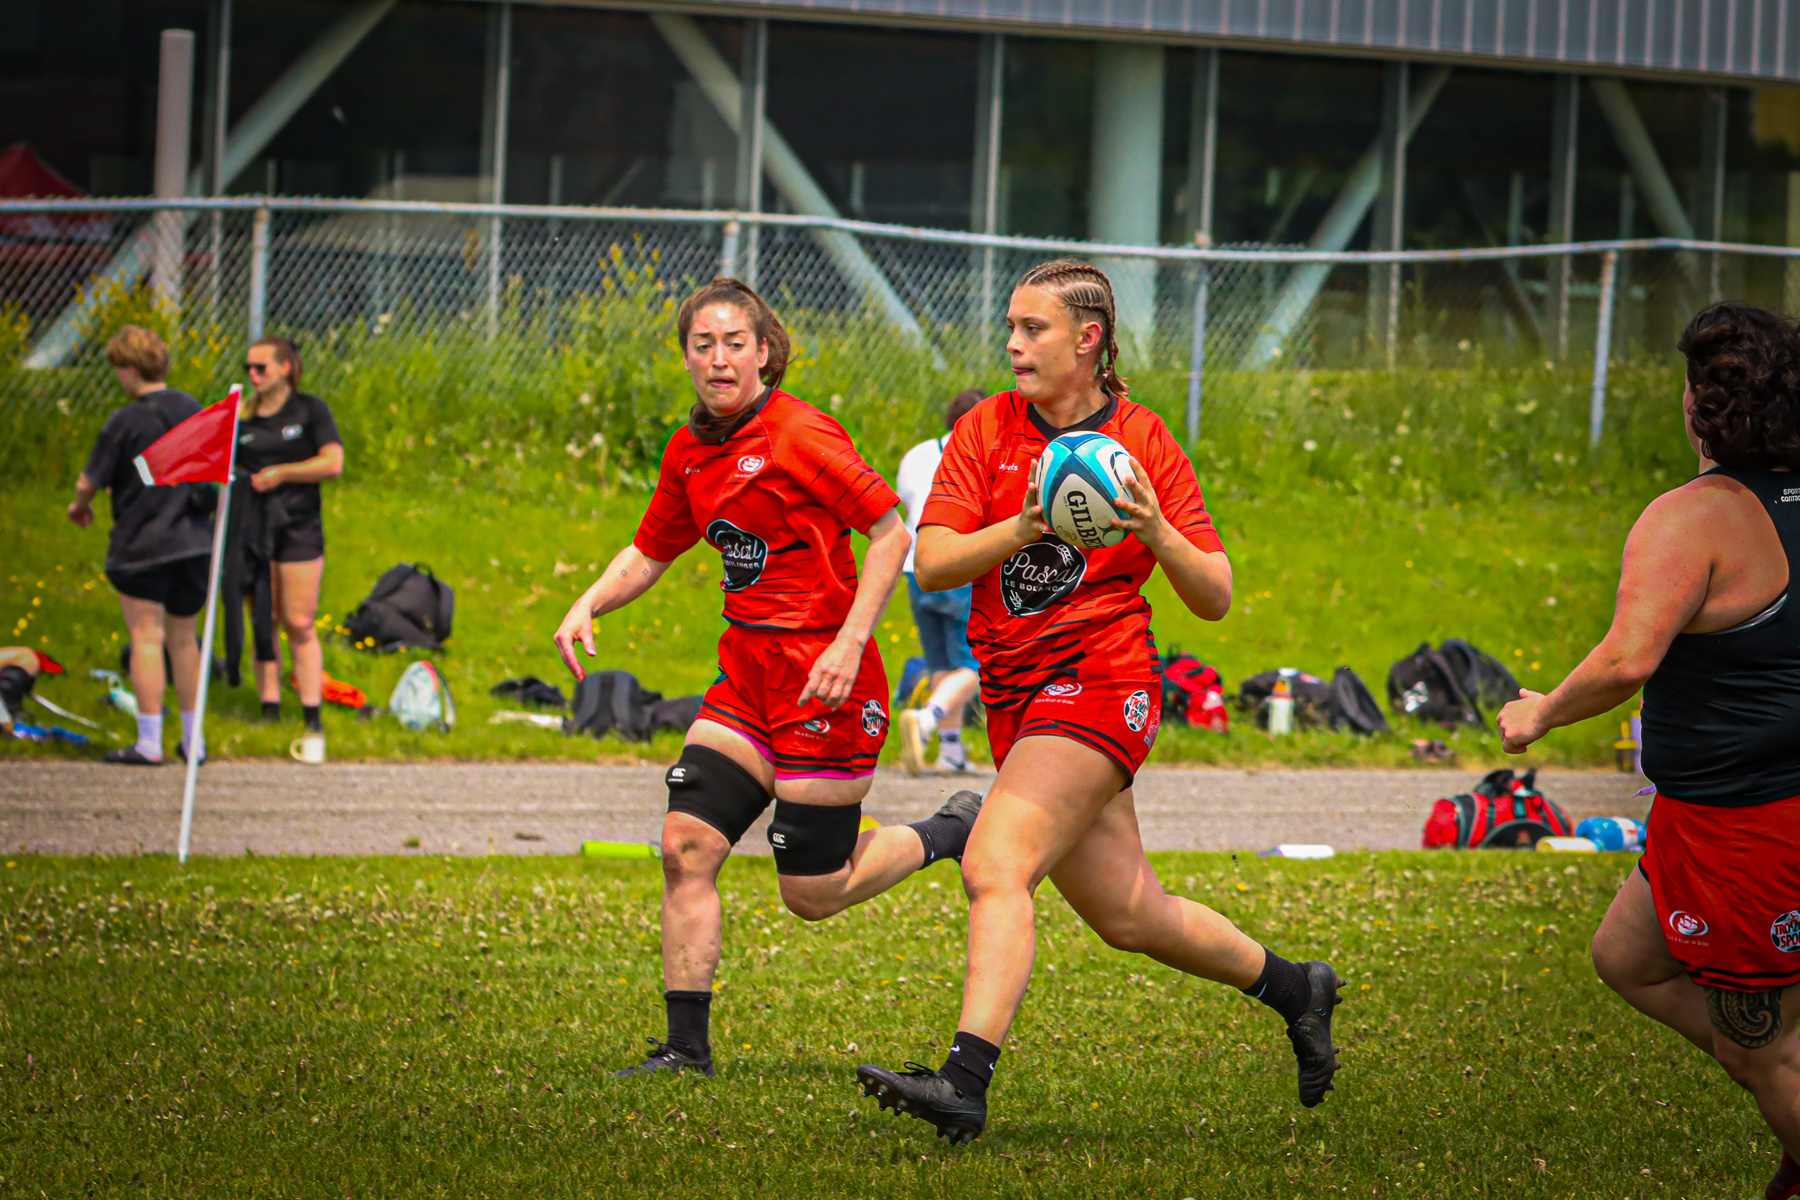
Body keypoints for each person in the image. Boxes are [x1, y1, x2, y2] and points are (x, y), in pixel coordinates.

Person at [855, 259, 1343, 1145]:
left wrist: (1155, 527)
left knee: (994, 864)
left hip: (1104, 681)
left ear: (1088, 339)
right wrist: (1027, 522)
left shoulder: (1144, 441)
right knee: (1130, 914)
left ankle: (965, 1082)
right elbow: (933, 561)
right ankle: (1296, 987)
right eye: (1009, 326)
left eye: (1031, 329)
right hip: (1014, 696)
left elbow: (1216, 593)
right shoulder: (985, 431)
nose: (1011, 344)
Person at [552, 277, 984, 1079]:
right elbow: (650, 551)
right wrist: (589, 602)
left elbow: (892, 533)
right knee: (685, 846)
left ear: (763, 351)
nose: (718, 358)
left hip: (827, 678)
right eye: (702, 344)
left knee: (812, 893)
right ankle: (686, 1050)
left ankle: (945, 833)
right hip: (746, 677)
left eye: (734, 343)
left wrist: (851, 643)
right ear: (686, 357)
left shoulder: (801, 435)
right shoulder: (691, 450)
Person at [1499, 300, 1800, 1199]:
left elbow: (1628, 661)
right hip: (1714, 816)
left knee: (1765, 1050)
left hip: (1745, 826)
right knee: (1626, 957)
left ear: (1694, 408)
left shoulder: (1694, 518)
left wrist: (1542, 714)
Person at [67, 325, 213, 765]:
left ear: (130, 370)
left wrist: (79, 507)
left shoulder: (126, 420)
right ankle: (194, 740)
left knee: (147, 637)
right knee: (185, 640)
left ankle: (149, 740)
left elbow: (89, 481)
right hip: (194, 542)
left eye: (119, 370)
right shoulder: (196, 410)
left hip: (143, 542)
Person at [233, 336, 343, 760]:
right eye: (249, 368)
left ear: (284, 368)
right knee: (262, 617)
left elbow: (332, 462)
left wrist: (282, 474)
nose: (253, 375)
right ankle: (268, 706)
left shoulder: (309, 410)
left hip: (297, 526)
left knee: (297, 619)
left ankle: (312, 711)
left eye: (261, 367)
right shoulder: (242, 413)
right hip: (251, 527)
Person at [895, 388, 985, 775]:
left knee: (941, 664)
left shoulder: (917, 454)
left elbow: (903, 503)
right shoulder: (980, 457)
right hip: (961, 569)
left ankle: (951, 753)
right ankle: (928, 719)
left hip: (918, 570)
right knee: (977, 664)